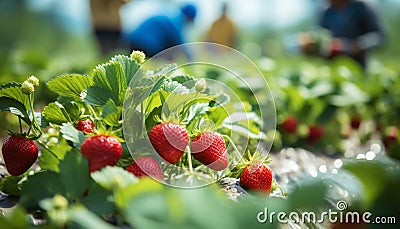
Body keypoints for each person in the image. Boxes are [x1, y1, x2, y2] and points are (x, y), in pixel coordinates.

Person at [302, 0, 385, 68]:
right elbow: (321, 39)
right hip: (331, 68)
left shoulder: (361, 7)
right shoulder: (326, 13)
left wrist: (359, 44)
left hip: (359, 67)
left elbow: (380, 36)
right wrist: (313, 48)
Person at [126, 3, 197, 57]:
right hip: (147, 45)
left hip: (132, 40)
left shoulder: (171, 13)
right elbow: (179, 42)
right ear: (190, 17)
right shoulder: (178, 19)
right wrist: (191, 58)